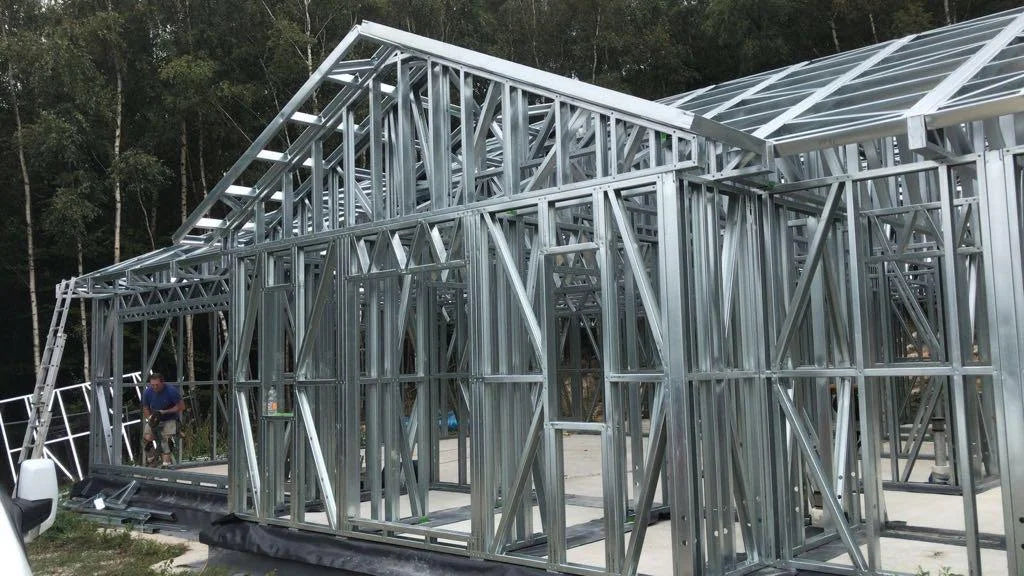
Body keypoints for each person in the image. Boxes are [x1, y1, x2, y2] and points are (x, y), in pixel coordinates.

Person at [142, 373, 184, 468]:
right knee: (146, 439)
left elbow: (181, 406)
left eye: (157, 385)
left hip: (170, 418)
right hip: (155, 418)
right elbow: (145, 407)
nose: (155, 387)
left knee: (165, 440)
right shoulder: (148, 392)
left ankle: (166, 464)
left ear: (162, 383)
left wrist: (165, 411)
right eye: (152, 385)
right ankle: (151, 460)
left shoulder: (171, 391)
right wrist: (149, 418)